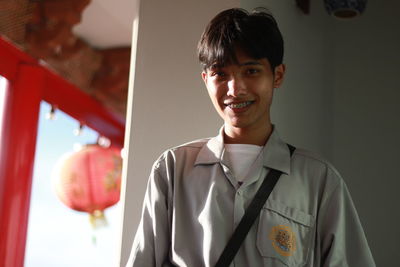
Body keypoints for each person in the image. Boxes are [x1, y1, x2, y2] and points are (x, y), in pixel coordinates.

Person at [126, 8, 375, 267]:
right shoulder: (172, 170)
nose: (236, 89)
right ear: (205, 80)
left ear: (277, 75)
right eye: (220, 74)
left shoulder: (319, 180)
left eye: (251, 71)